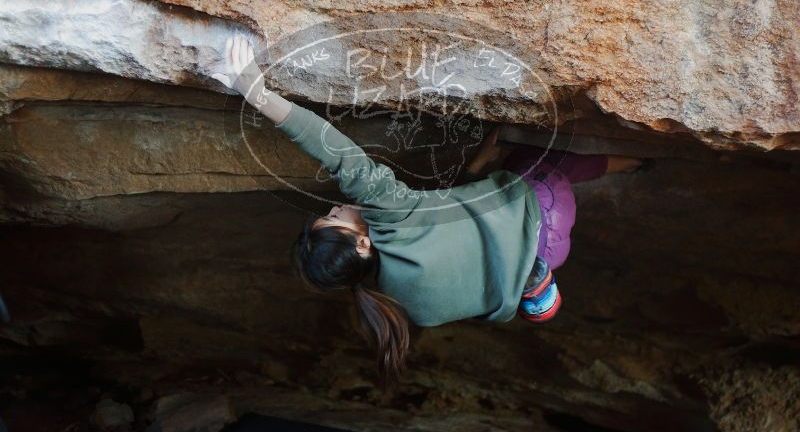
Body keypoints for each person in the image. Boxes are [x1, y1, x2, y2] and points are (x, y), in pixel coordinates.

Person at [209, 34, 645, 386]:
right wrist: (258, 94)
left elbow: (453, 241)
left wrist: (475, 169)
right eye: (337, 215)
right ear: (362, 244)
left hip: (547, 259)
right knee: (536, 165)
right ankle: (635, 161)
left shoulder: (406, 306)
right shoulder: (389, 214)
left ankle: (535, 286)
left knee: (487, 201)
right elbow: (338, 154)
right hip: (546, 211)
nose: (340, 205)